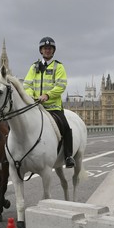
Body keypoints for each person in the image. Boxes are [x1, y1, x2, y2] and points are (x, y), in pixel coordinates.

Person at [23, 36, 75, 168]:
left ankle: (68, 156)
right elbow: (27, 85)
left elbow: (61, 85)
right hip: (35, 106)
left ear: (53, 51)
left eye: (50, 49)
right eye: (45, 48)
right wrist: (31, 96)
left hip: (53, 107)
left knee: (66, 128)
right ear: (41, 50)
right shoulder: (34, 67)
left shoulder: (58, 66)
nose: (47, 50)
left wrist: (47, 95)